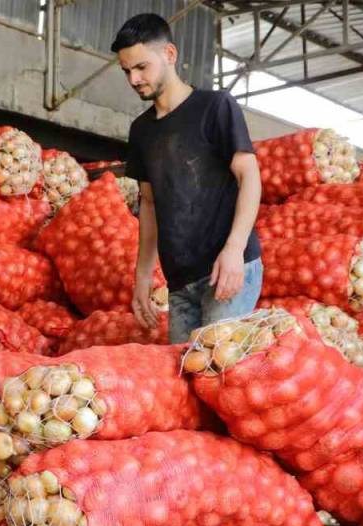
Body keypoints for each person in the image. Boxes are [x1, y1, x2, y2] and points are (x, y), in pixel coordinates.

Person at [112, 13, 265, 344]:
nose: (133, 79)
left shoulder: (215, 107)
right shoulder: (141, 131)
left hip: (227, 268)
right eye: (126, 71)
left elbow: (249, 177)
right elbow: (149, 204)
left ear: (169, 54)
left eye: (141, 67)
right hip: (180, 282)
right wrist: (142, 277)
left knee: (213, 372)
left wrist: (235, 249)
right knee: (185, 380)